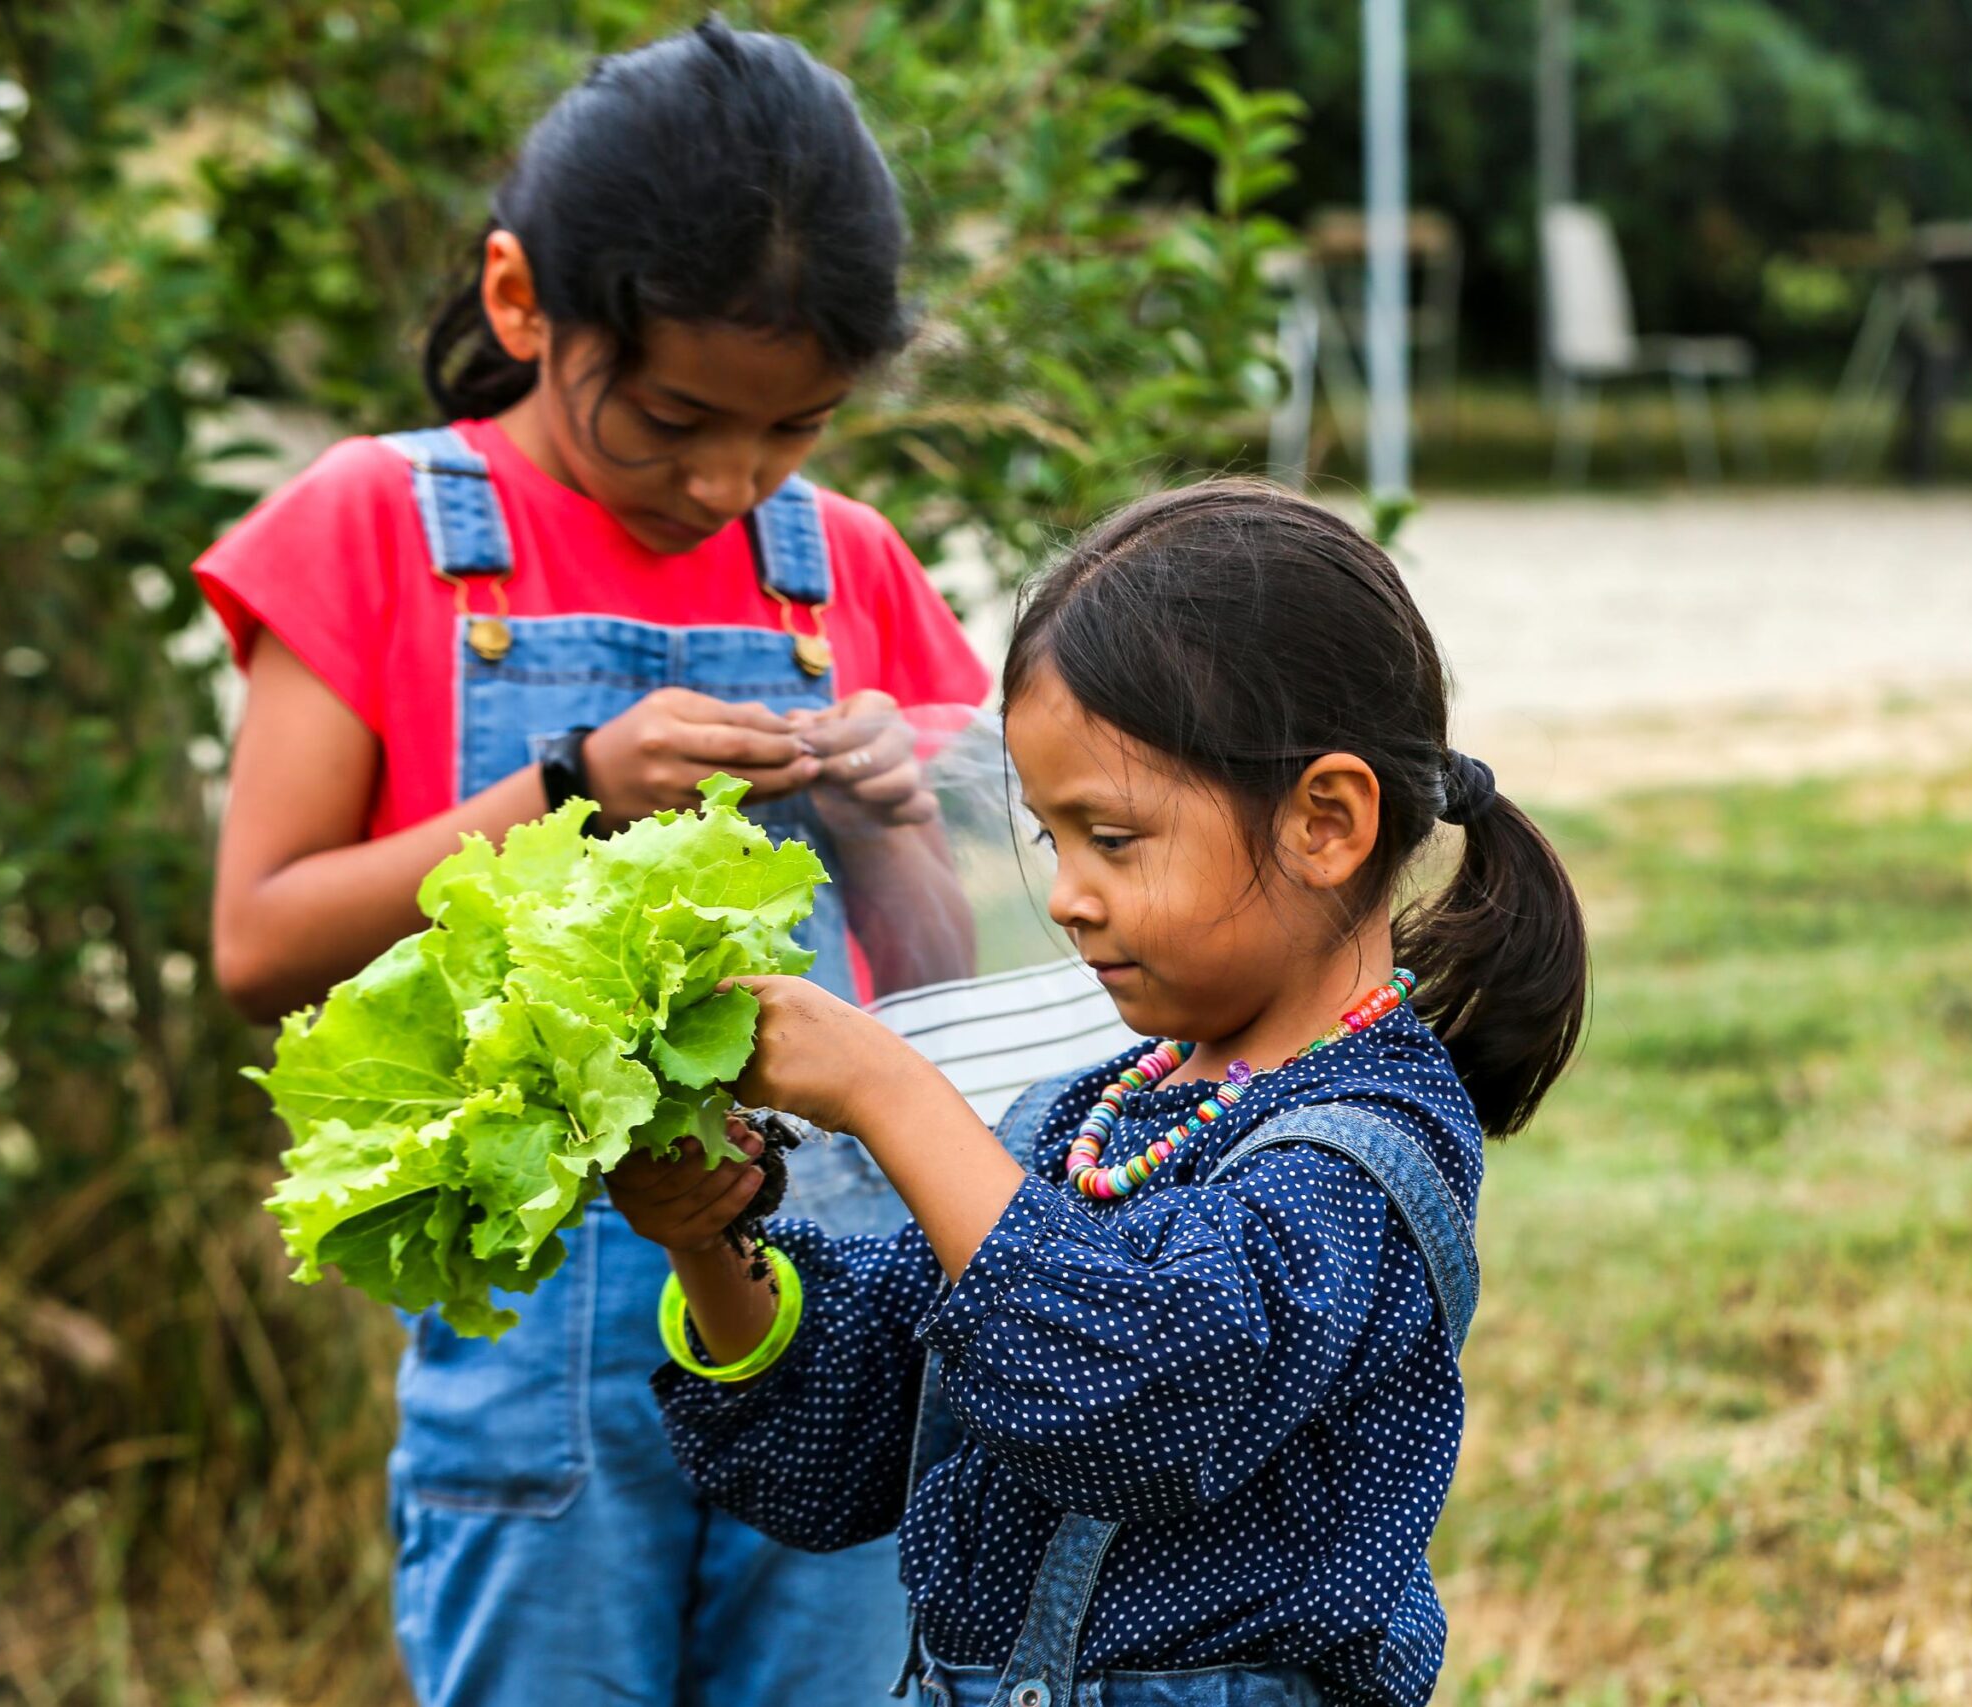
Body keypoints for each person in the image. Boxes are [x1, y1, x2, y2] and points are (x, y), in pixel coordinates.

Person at [195, 21, 989, 1704]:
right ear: (518, 304)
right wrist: (571, 781)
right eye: (677, 420)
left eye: (794, 431)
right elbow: (261, 940)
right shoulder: (380, 526)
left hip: (829, 1321)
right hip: (540, 1352)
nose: (727, 482)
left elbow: (939, 984)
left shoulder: (839, 561)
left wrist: (889, 808)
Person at [604, 481, 1592, 1707]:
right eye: (1049, 838)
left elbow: (1131, 1400)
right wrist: (713, 1241)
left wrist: (885, 1090)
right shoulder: (1079, 1121)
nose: (1067, 894)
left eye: (1112, 839)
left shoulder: (1360, 1160)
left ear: (1325, 824)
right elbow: (850, 1440)